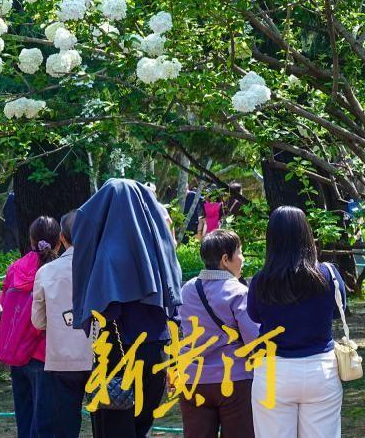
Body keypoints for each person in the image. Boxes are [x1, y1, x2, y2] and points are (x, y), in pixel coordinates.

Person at [72, 178, 183, 438]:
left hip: (116, 349)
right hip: (157, 348)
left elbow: (98, 302)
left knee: (113, 426)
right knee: (142, 426)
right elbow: (173, 303)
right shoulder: (159, 245)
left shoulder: (107, 252)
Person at [245, 206, 346, 438]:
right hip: (321, 369)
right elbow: (335, 311)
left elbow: (254, 316)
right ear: (307, 235)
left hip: (273, 371)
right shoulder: (327, 275)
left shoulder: (261, 280)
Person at [178, 229, 260, 438]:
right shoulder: (239, 292)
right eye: (239, 252)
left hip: (192, 380)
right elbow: (254, 342)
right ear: (226, 259)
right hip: (234, 380)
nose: (241, 258)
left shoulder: (187, 290)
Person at [31, 211, 94, 438]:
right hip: (99, 356)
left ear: (62, 238)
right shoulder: (101, 267)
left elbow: (37, 321)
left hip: (61, 360)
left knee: (63, 428)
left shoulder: (46, 272)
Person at [0, 216, 60, 438]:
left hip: (17, 352)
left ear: (31, 240)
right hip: (44, 353)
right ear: (59, 241)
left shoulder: (15, 268)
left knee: (24, 419)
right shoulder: (56, 270)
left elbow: (5, 303)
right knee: (44, 422)